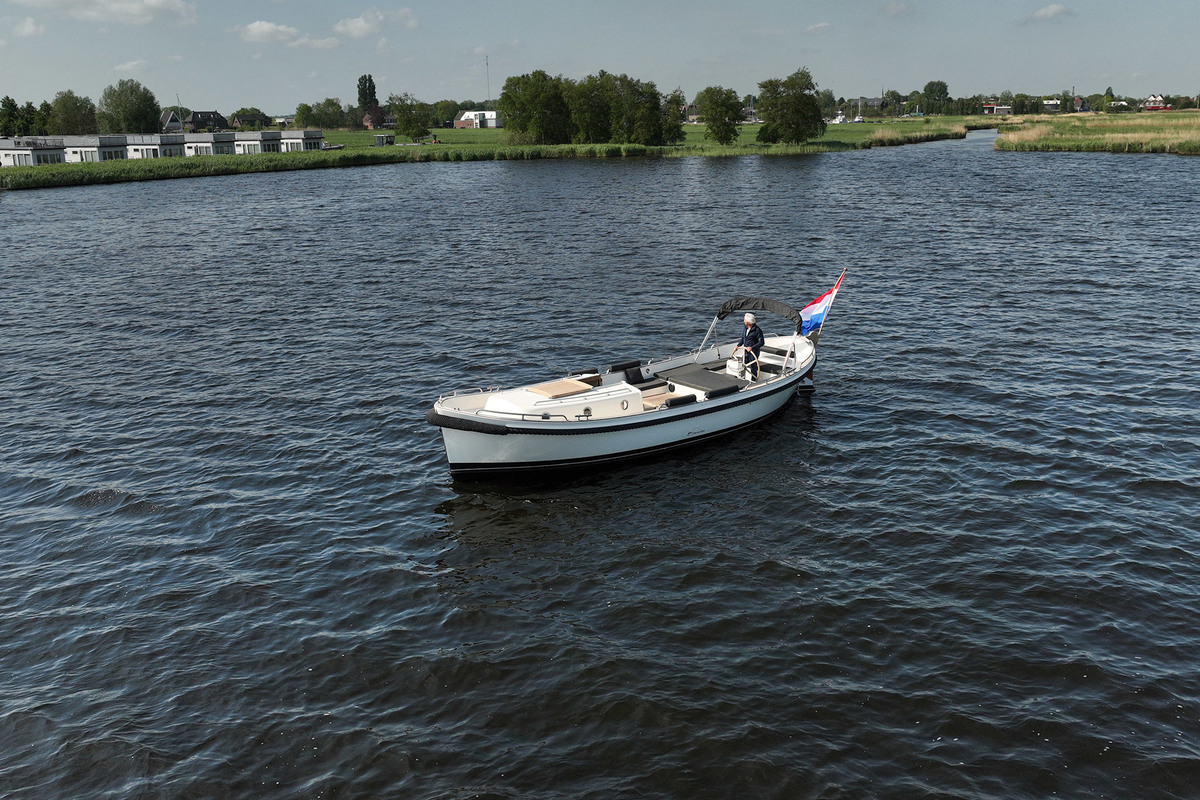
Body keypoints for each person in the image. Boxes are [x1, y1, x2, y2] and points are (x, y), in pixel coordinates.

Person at [735, 312, 765, 380]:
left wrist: (752, 348)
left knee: (753, 367)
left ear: (748, 322)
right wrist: (738, 345)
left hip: (753, 352)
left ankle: (753, 380)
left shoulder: (757, 330)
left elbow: (761, 342)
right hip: (745, 351)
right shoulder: (745, 328)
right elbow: (743, 338)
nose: (743, 321)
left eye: (744, 320)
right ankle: (742, 379)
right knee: (742, 365)